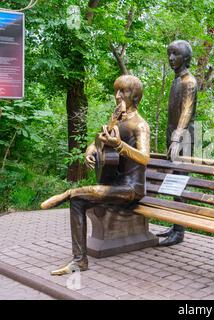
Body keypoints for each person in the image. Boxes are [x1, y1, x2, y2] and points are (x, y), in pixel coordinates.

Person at [40, 75, 150, 275]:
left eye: (123, 91)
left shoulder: (139, 125)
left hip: (131, 189)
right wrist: (90, 150)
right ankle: (80, 261)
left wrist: (118, 144)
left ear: (135, 96)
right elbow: (99, 141)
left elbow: (144, 158)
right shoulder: (116, 118)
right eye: (116, 91)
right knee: (78, 201)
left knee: (75, 195)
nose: (117, 96)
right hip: (113, 184)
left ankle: (66, 193)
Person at [156, 40, 197, 246]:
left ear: (186, 58)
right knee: (173, 181)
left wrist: (176, 137)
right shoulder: (175, 81)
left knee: (180, 181)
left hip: (182, 136)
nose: (171, 58)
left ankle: (179, 231)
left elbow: (187, 111)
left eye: (176, 54)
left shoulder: (189, 82)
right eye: (169, 54)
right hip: (172, 133)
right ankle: (175, 225)